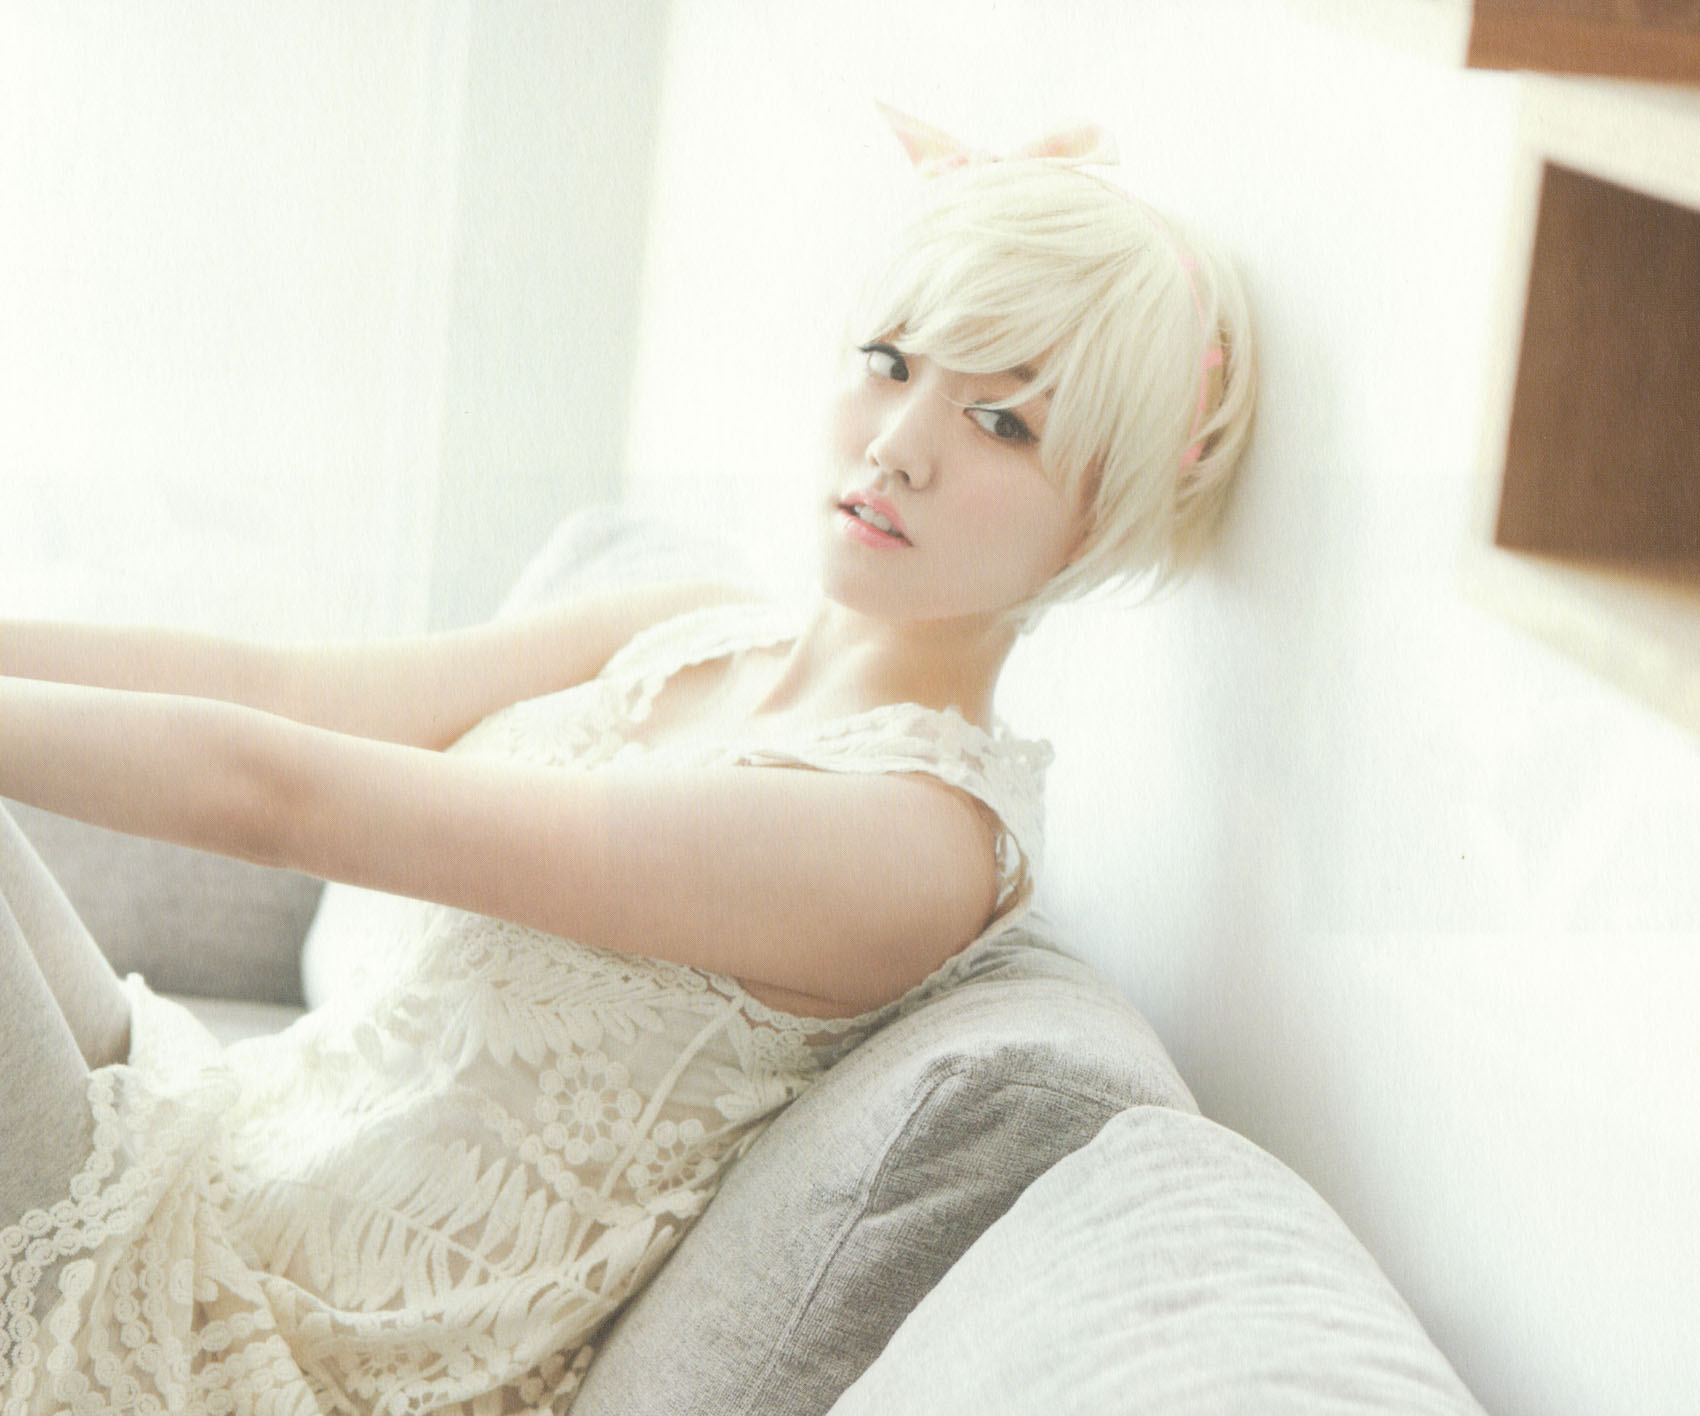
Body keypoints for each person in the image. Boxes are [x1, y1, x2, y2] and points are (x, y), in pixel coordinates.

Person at [0, 106, 1256, 1414]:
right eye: (890, 362)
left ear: (1098, 515)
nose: (899, 444)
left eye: (1001, 423)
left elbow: (285, 796)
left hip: (269, 1348)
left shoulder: (904, 838)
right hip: (211, 1152)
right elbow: (300, 694)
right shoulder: (696, 627)